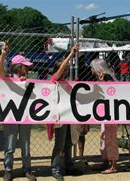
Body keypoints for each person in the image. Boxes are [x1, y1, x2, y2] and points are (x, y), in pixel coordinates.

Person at [0, 42, 36, 181]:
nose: (27, 68)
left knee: (25, 144)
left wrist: (25, 82)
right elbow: (1, 70)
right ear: (18, 67)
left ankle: (27, 169)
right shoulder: (7, 78)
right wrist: (3, 55)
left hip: (25, 115)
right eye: (25, 66)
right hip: (11, 115)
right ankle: (8, 169)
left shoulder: (28, 80)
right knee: (10, 144)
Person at [49, 44, 83, 181]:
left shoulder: (66, 82)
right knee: (60, 144)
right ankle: (55, 169)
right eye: (65, 69)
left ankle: (69, 165)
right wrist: (71, 54)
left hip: (68, 115)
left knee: (69, 142)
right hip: (59, 116)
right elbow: (61, 69)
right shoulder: (54, 79)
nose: (66, 71)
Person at [89, 58, 119, 174]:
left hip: (111, 114)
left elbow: (110, 94)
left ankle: (113, 165)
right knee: (104, 137)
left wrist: (102, 82)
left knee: (110, 138)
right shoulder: (103, 78)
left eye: (92, 68)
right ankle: (106, 160)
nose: (91, 70)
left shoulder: (109, 79)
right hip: (104, 114)